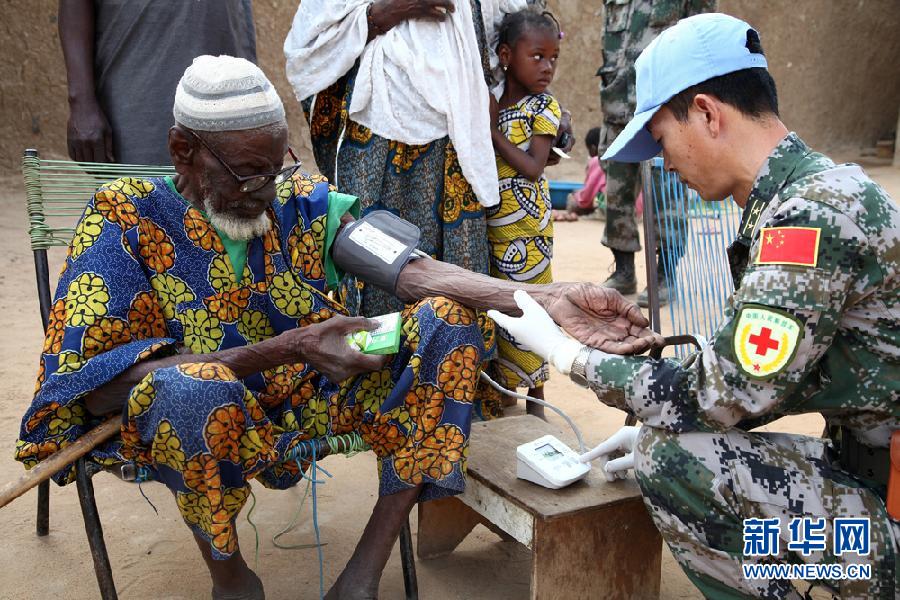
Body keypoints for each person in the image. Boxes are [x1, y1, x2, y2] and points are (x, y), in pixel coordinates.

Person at [16, 56, 657, 600]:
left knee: (450, 320)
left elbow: (413, 272)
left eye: (277, 166)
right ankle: (232, 576)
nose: (267, 191)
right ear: (184, 150)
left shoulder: (300, 202)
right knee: (191, 389)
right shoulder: (122, 221)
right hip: (192, 421)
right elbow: (96, 387)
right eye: (247, 173)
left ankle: (363, 572)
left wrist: (542, 297)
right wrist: (290, 345)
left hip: (306, 400)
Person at [489, 14, 900, 599]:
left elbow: (725, 389)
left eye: (659, 139)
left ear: (707, 113)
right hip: (873, 481)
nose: (665, 163)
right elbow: (764, 380)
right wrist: (663, 416)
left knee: (678, 467)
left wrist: (567, 353)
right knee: (676, 447)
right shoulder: (806, 197)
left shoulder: (811, 218)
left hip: (886, 528)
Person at [283, 0, 574, 323]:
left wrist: (541, 109)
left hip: (462, 132)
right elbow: (311, 39)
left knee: (460, 279)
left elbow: (514, 29)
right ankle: (379, 370)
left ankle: (457, 364)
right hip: (377, 129)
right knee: (376, 263)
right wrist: (385, 12)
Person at [598, 0, 715, 301]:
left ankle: (665, 275)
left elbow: (700, 39)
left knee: (668, 192)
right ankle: (624, 271)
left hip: (666, 105)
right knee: (616, 194)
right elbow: (610, 48)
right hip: (618, 107)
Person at [59, 0, 257, 165]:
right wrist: (81, 102)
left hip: (225, 88)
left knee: (228, 192)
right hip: (142, 95)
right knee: (140, 198)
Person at [486, 9, 563, 416]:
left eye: (553, 58)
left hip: (528, 233)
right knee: (499, 308)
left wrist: (492, 130)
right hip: (495, 230)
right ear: (504, 54)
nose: (547, 67)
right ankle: (503, 393)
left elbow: (533, 166)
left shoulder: (543, 107)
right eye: (537, 56)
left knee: (530, 308)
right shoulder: (494, 103)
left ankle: (537, 401)